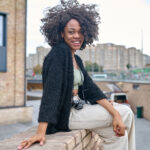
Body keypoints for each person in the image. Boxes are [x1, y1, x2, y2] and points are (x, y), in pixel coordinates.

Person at [18, 0, 135, 149]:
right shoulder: (59, 53)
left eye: (81, 32)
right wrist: (41, 131)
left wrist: (113, 111)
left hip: (79, 108)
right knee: (126, 112)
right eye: (71, 32)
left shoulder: (76, 58)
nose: (77, 36)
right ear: (61, 33)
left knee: (117, 131)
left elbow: (91, 89)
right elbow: (51, 94)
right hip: (67, 115)